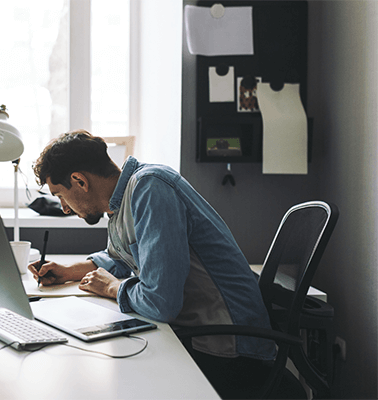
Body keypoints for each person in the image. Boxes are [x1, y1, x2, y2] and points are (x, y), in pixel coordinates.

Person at [28, 130, 276, 399]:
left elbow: (161, 303)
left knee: (102, 379)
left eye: (61, 195)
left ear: (79, 181)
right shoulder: (120, 203)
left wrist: (113, 289)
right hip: (196, 335)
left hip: (230, 350)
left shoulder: (150, 188)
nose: (64, 208)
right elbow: (124, 257)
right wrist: (70, 271)